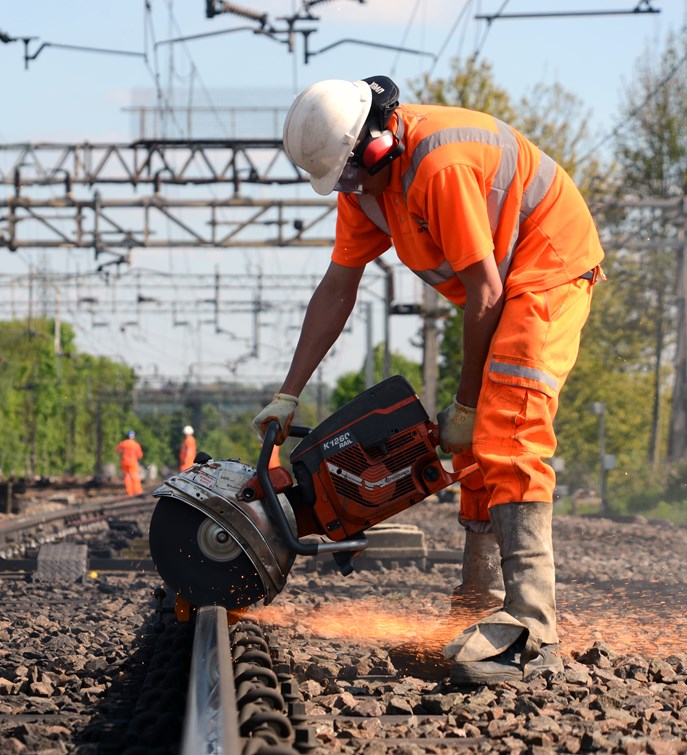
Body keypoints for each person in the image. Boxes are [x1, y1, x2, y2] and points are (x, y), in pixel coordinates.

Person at [255, 76, 603, 685]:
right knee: (475, 446)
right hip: (495, 288)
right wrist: (289, 392)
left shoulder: (438, 165)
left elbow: (487, 290)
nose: (348, 188)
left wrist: (467, 402)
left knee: (508, 429)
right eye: (339, 181)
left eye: (351, 174)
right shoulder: (363, 191)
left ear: (377, 142)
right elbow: (338, 288)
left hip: (546, 267)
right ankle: (475, 606)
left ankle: (534, 630)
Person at [115, 430, 144, 496]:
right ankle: (137, 491)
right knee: (134, 476)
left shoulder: (123, 443)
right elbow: (140, 455)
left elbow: (117, 450)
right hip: (133, 462)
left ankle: (129, 492)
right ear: (133, 436)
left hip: (124, 462)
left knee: (127, 477)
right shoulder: (136, 444)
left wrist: (122, 453)